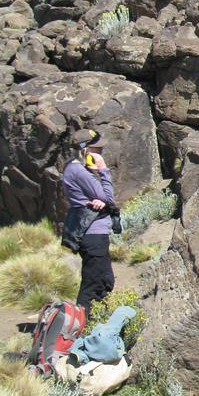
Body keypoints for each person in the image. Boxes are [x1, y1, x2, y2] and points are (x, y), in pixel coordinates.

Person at [62, 128, 116, 317]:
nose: (101, 153)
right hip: (93, 234)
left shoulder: (80, 170)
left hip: (95, 233)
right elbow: (109, 198)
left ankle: (97, 320)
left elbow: (104, 200)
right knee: (94, 283)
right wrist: (103, 170)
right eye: (97, 150)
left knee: (105, 280)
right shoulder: (78, 170)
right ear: (85, 150)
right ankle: (82, 327)